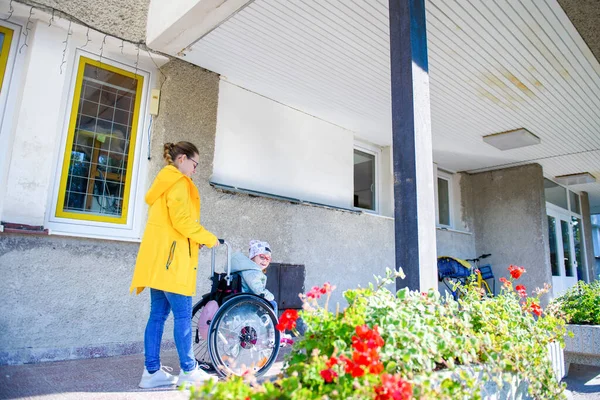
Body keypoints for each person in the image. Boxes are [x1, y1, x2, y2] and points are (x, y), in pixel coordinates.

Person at [130, 141, 220, 389]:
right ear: (182, 158)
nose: (195, 170)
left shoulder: (163, 182)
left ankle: (151, 372)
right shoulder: (179, 183)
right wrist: (208, 238)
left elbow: (171, 225)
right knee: (182, 316)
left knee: (157, 316)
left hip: (159, 262)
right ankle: (189, 370)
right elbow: (182, 221)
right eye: (195, 164)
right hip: (174, 262)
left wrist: (194, 240)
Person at [230, 240, 294, 346]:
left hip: (243, 302)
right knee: (272, 303)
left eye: (268, 258)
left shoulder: (248, 269)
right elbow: (258, 290)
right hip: (245, 305)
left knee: (266, 304)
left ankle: (269, 333)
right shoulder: (251, 271)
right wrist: (270, 296)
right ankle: (273, 334)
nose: (265, 260)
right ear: (252, 257)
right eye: (261, 257)